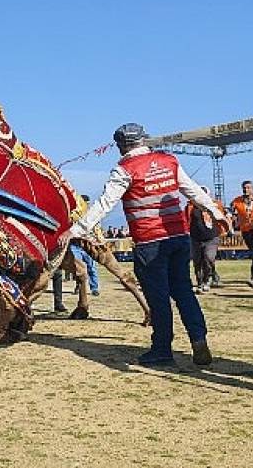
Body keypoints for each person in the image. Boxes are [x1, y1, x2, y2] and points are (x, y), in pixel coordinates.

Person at [59, 122, 227, 366]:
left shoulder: (125, 169)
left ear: (120, 146)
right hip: (178, 238)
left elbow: (105, 204)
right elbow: (192, 191)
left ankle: (161, 349)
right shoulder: (169, 161)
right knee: (184, 291)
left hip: (150, 242)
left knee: (158, 298)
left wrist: (76, 229)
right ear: (143, 140)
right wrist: (216, 212)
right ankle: (198, 340)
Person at [186, 186, 227, 293]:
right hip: (195, 237)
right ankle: (200, 283)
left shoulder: (215, 205)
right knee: (197, 261)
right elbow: (185, 220)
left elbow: (223, 217)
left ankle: (207, 280)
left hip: (212, 237)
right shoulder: (190, 206)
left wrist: (226, 230)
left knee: (208, 258)